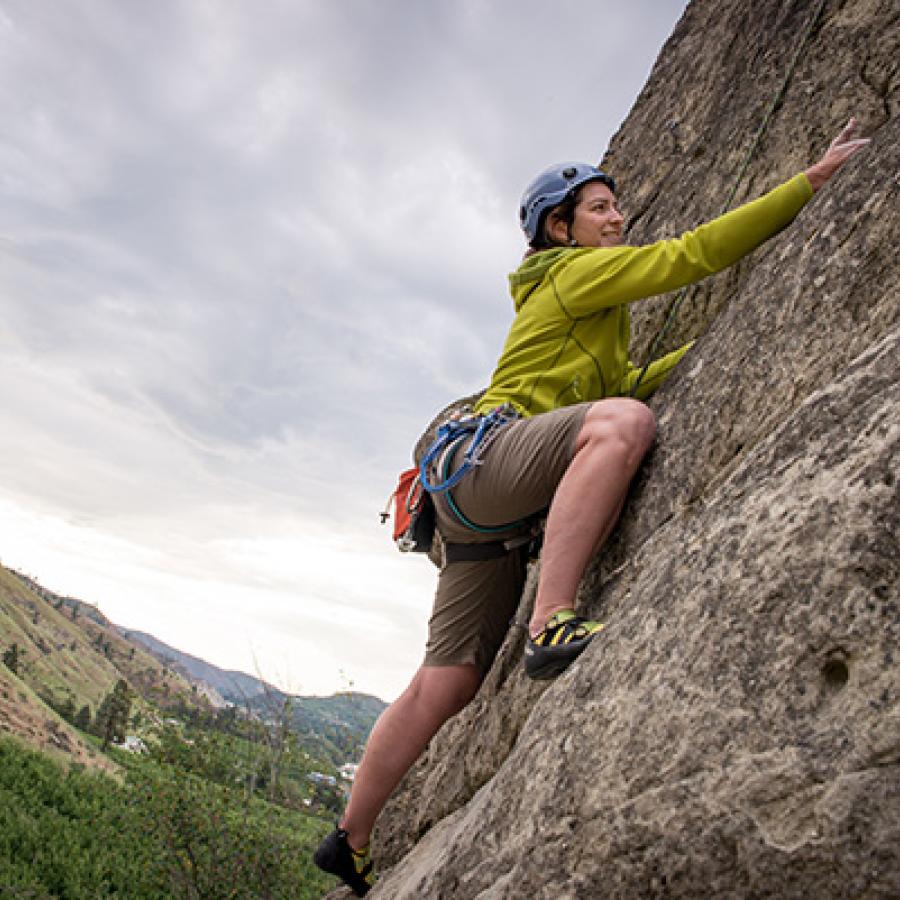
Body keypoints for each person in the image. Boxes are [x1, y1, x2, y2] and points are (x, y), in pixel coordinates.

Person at [314, 118, 869, 896]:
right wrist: (807, 184)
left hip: (479, 504)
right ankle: (552, 621)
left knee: (446, 683)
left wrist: (724, 342)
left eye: (617, 206)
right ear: (559, 227)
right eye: (601, 208)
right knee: (626, 425)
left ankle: (351, 837)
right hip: (489, 463)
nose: (618, 218)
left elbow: (625, 381)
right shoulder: (570, 275)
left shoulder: (592, 314)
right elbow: (689, 257)